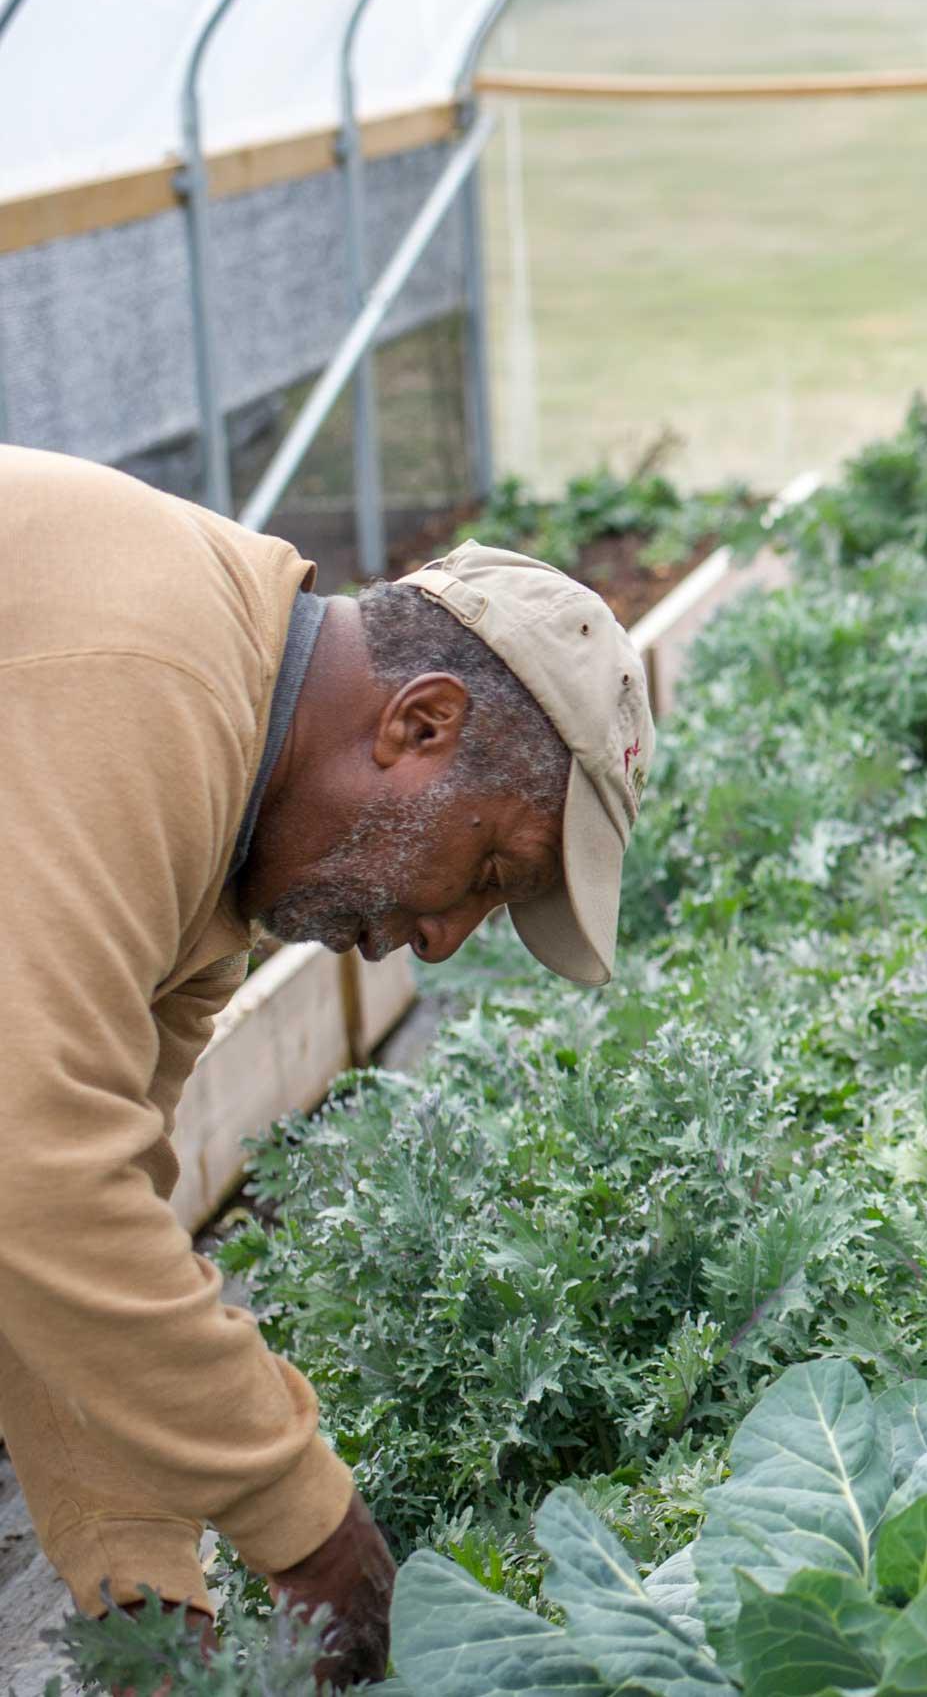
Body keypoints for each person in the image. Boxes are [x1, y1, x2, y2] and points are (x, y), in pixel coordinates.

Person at [0, 448, 656, 1684]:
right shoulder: (152, 691)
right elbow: (33, 1173)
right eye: (489, 873)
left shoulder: (220, 861)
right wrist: (306, 1522)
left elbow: (64, 1239)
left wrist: (148, 1609)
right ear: (419, 723)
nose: (445, 940)